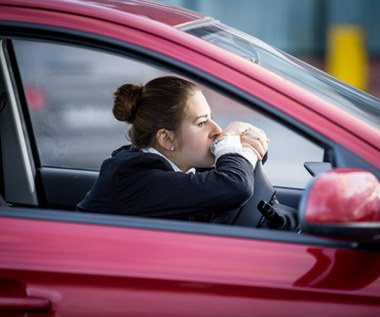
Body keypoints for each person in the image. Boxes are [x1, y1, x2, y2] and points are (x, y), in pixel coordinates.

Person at [76, 76, 269, 222]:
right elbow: (236, 186)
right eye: (202, 123)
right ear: (167, 139)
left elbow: (237, 171)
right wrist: (230, 144)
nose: (217, 130)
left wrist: (245, 143)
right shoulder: (134, 177)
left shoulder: (178, 162)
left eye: (211, 118)